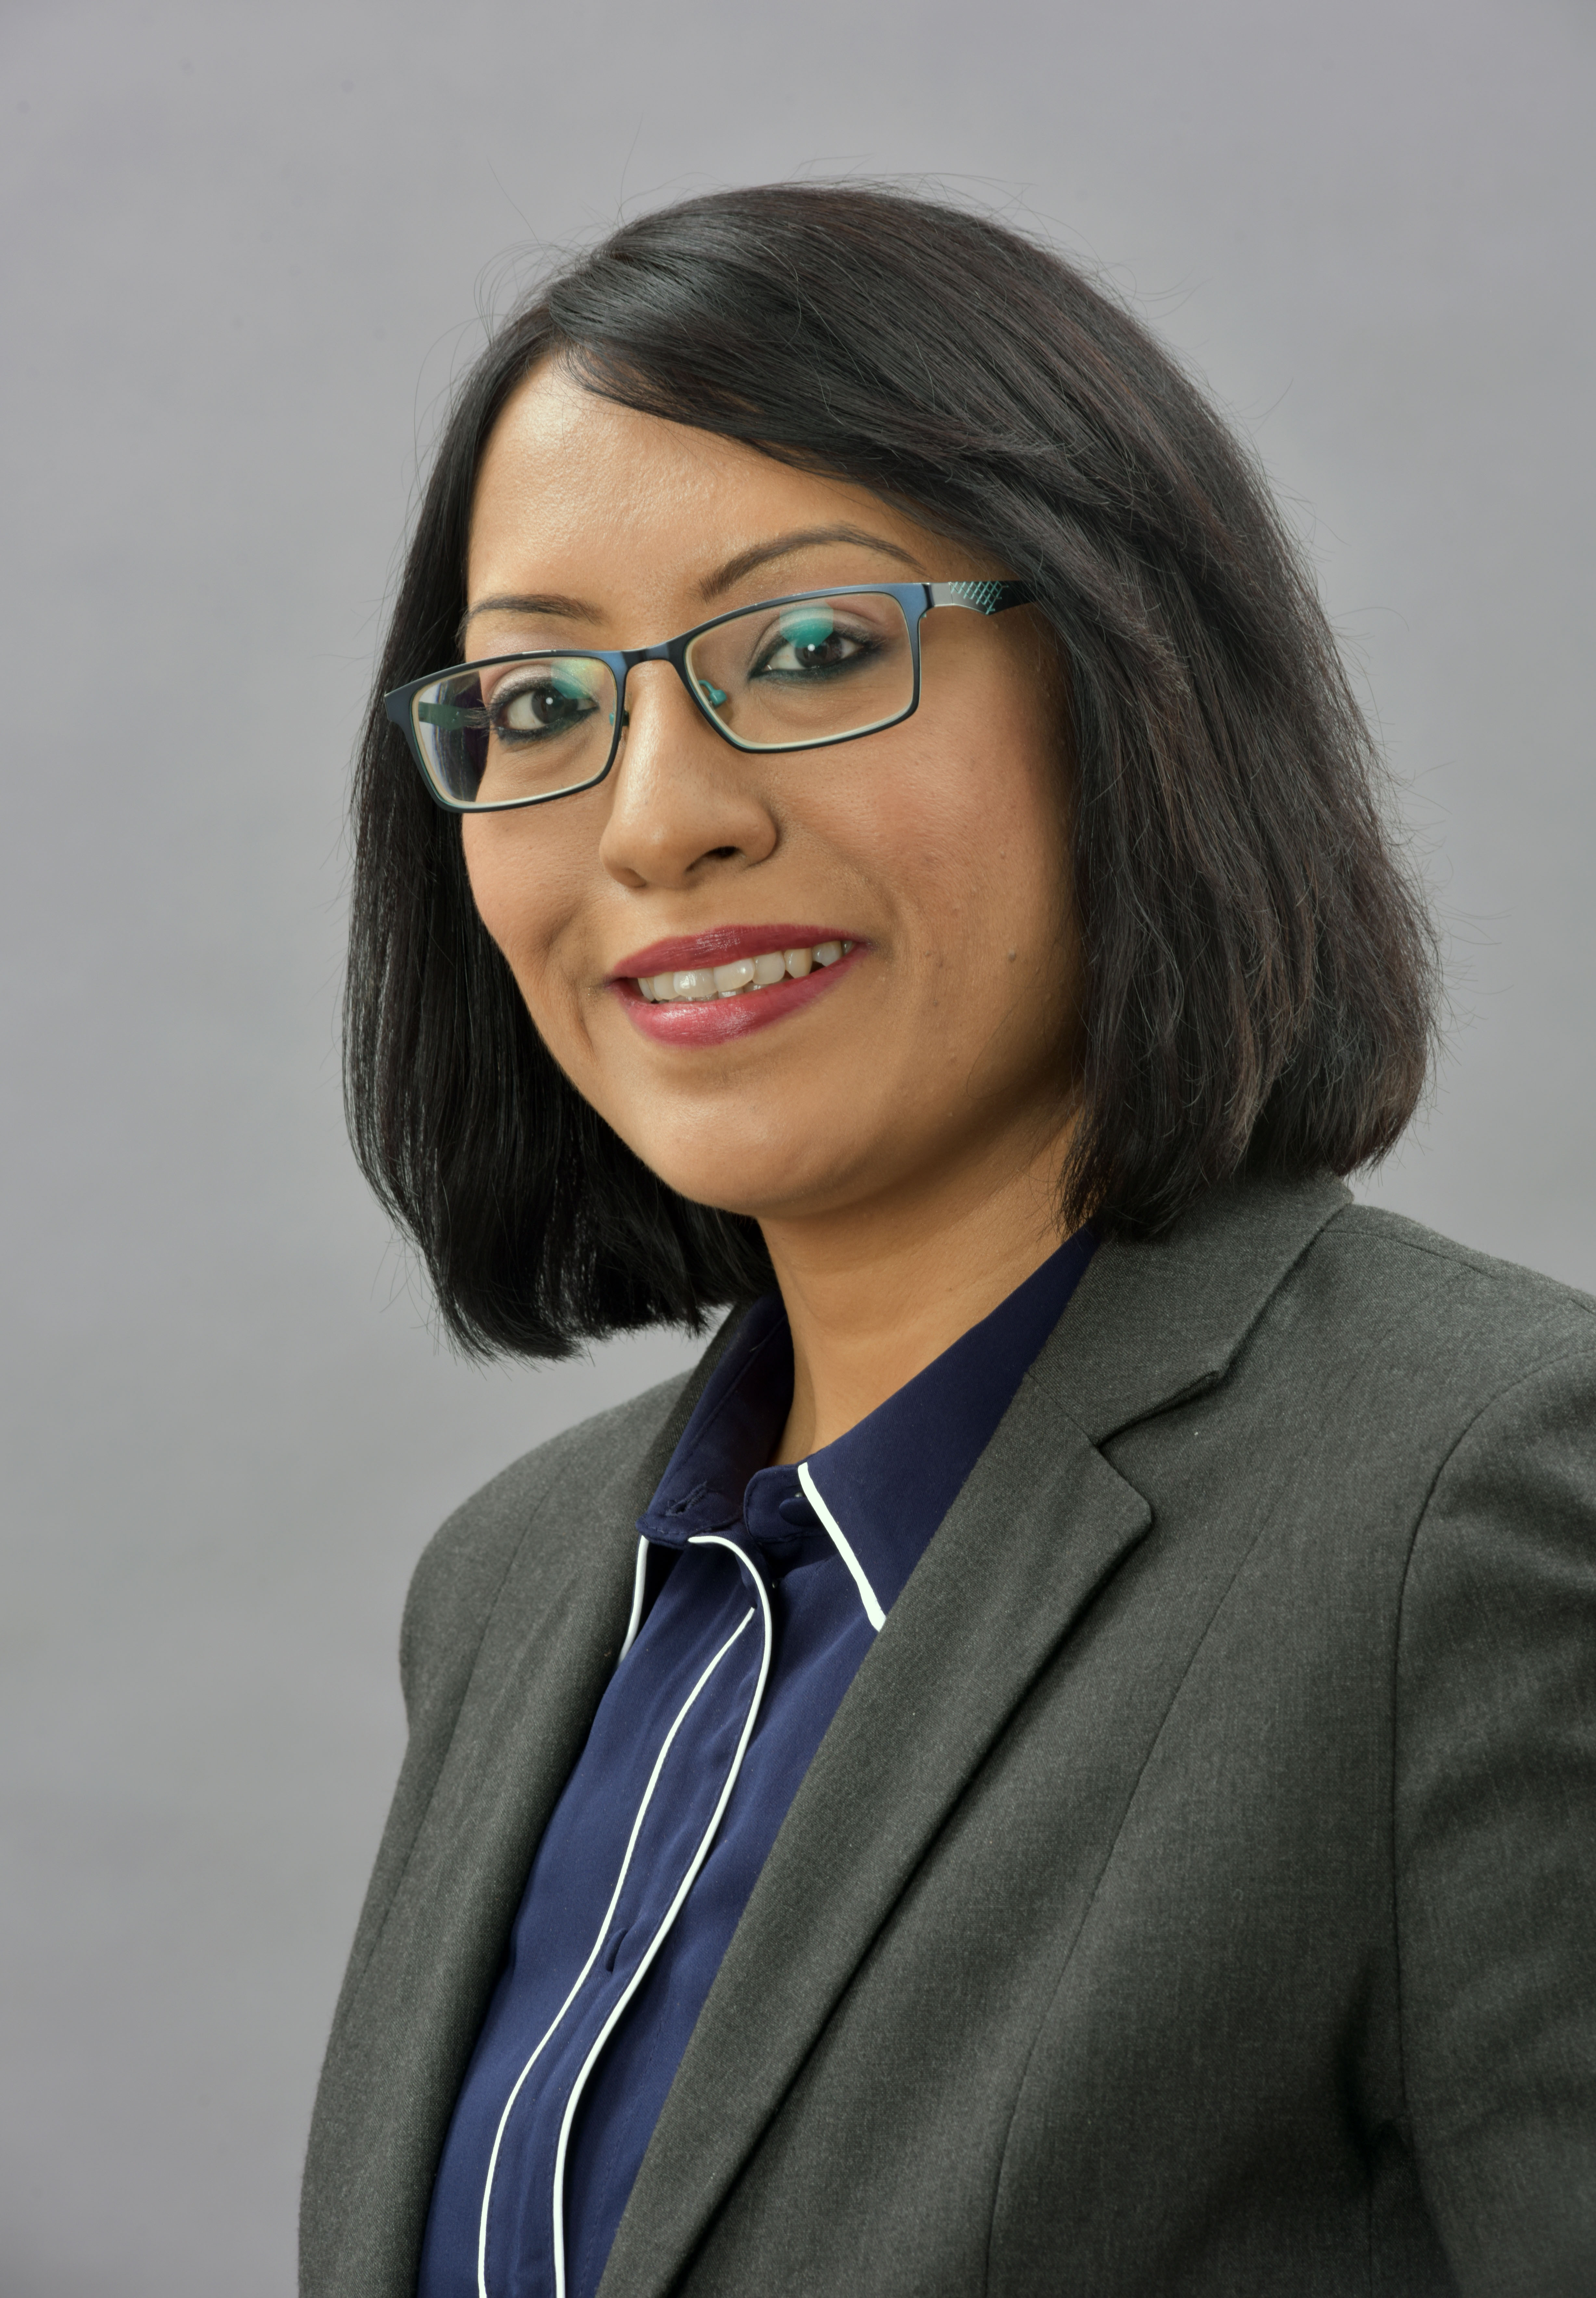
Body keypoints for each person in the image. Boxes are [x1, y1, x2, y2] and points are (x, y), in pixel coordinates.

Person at [302, 185, 1596, 2298]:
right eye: (537, 706)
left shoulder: (1479, 1516)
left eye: (814, 649)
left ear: (1131, 682)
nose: (658, 820)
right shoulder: (515, 1596)